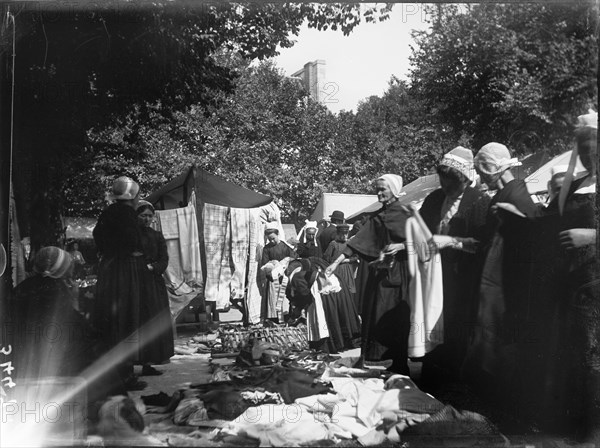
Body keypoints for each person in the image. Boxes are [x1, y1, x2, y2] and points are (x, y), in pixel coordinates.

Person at [9, 246, 125, 404]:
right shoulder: (57, 289)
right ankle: (111, 402)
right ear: (60, 269)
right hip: (52, 354)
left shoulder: (23, 287)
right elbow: (76, 326)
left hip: (23, 353)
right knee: (97, 349)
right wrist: (75, 299)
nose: (71, 269)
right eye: (68, 266)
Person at [418, 146, 490, 387]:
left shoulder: (479, 202)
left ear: (465, 179)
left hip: (463, 282)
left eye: (452, 183)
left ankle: (455, 388)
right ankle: (432, 383)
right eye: (442, 180)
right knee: (433, 330)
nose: (445, 186)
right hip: (435, 279)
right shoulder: (434, 199)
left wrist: (450, 242)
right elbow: (420, 232)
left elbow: (482, 245)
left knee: (456, 332)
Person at [326, 174, 411, 374]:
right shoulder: (377, 217)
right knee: (377, 316)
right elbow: (356, 243)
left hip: (400, 275)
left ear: (395, 191)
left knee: (396, 317)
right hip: (380, 276)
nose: (379, 193)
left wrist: (401, 245)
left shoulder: (407, 214)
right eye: (377, 189)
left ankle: (400, 365)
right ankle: (384, 363)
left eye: (383, 189)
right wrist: (335, 263)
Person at [92, 176, 147, 391]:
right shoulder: (128, 215)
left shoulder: (107, 213)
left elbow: (98, 236)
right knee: (128, 319)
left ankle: (113, 375)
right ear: (132, 196)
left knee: (111, 321)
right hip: (124, 271)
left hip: (108, 270)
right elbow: (133, 242)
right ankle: (125, 376)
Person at [136, 200, 175, 376]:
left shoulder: (157, 236)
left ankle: (149, 362)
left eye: (150, 216)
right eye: (143, 215)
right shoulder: (132, 236)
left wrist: (153, 267)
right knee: (137, 321)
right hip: (135, 282)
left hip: (153, 284)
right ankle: (132, 363)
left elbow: (164, 259)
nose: (147, 219)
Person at [260, 224, 297, 321]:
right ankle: (275, 318)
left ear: (278, 235)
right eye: (269, 239)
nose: (271, 241)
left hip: (286, 276)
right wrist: (272, 265)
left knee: (286, 297)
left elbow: (293, 258)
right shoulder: (267, 249)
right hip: (273, 278)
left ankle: (287, 316)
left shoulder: (285, 246)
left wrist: (286, 261)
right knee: (274, 299)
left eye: (273, 238)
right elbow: (264, 264)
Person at [323, 224, 358, 299]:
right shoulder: (333, 244)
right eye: (342, 234)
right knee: (336, 290)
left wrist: (347, 260)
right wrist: (335, 261)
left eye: (346, 234)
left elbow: (355, 257)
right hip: (336, 270)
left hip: (347, 270)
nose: (344, 236)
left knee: (347, 290)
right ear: (338, 234)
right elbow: (326, 258)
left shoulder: (349, 244)